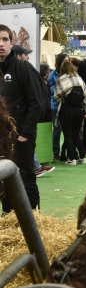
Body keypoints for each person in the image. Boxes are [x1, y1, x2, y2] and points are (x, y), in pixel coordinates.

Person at [0, 24, 44, 213]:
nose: (0, 44)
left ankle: (34, 223)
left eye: (4, 39)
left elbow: (37, 103)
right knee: (4, 182)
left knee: (25, 179)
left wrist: (25, 134)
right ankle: (9, 220)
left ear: (12, 43)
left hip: (21, 139)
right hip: (1, 140)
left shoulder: (23, 68)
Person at [54, 60, 86, 165]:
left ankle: (71, 158)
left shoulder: (61, 79)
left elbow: (56, 96)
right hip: (79, 110)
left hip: (66, 110)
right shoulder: (79, 78)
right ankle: (82, 157)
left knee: (68, 135)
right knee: (76, 134)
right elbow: (85, 96)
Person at [48, 53, 69, 160]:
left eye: (67, 60)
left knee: (68, 130)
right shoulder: (53, 75)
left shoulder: (70, 73)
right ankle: (56, 152)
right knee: (57, 130)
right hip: (56, 106)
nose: (66, 62)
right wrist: (60, 87)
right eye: (64, 60)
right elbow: (50, 90)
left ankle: (67, 151)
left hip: (68, 106)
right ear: (59, 62)